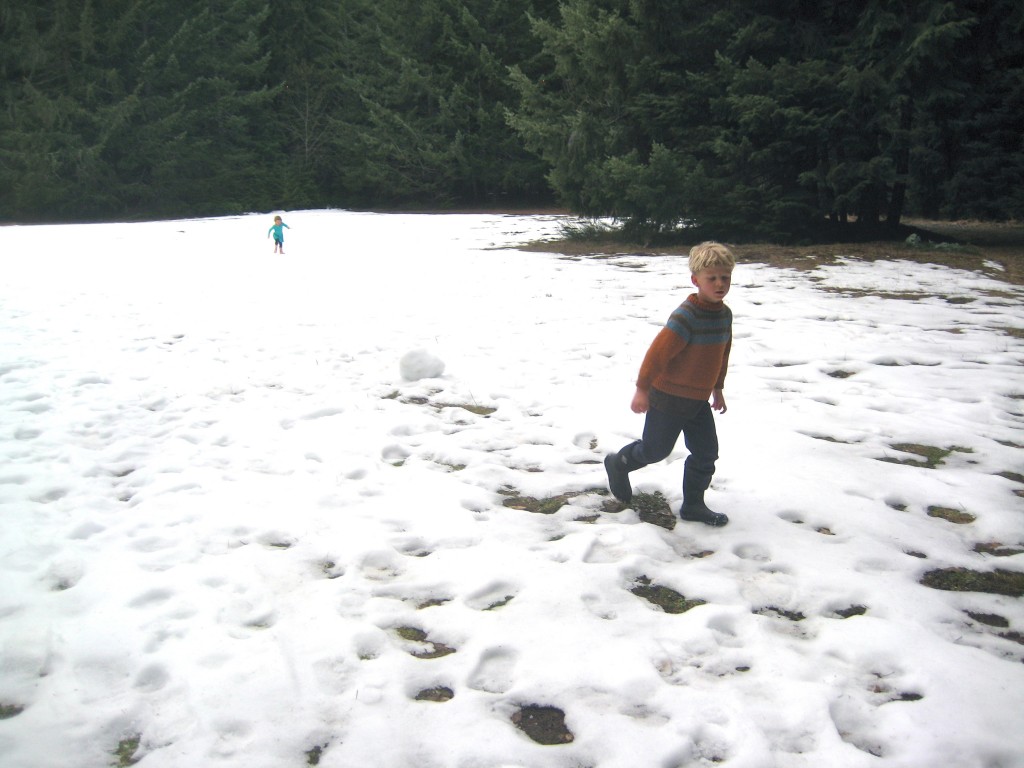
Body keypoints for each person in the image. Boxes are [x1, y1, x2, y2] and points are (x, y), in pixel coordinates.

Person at [604, 241, 735, 526]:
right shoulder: (686, 316)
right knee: (655, 451)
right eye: (712, 278)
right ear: (695, 280)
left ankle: (693, 506)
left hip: (697, 400)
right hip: (667, 398)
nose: (720, 283)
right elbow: (657, 354)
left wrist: (718, 388)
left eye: (725, 277)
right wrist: (642, 388)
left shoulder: (724, 315)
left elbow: (721, 353)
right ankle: (618, 463)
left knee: (706, 453)